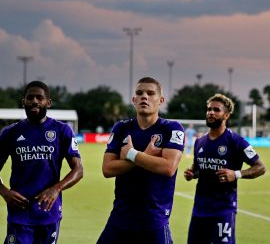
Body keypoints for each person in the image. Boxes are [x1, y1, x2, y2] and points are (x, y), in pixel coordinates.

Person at [97, 77, 185, 244]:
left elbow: (168, 167)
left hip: (153, 220)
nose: (144, 96)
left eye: (150, 93)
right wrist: (146, 156)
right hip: (121, 217)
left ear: (161, 100)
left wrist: (131, 154)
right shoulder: (121, 128)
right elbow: (107, 169)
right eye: (139, 93)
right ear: (134, 100)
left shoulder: (171, 128)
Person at [0, 81, 83, 244]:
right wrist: (4, 191)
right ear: (24, 102)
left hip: (48, 213)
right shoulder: (10, 133)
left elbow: (78, 170)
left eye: (40, 97)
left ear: (48, 102)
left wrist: (56, 188)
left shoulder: (62, 130)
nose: (35, 101)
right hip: (20, 215)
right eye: (30, 97)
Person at [184, 93, 266, 244]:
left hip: (223, 210)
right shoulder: (199, 142)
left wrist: (236, 174)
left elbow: (260, 167)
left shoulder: (236, 141)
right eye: (209, 109)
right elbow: (198, 168)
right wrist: (192, 173)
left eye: (216, 110)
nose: (211, 113)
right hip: (199, 209)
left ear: (226, 115)